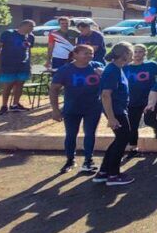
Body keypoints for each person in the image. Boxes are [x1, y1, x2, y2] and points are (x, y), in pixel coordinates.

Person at [49, 45, 104, 173]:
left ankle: (88, 160)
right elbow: (54, 89)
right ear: (75, 55)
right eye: (86, 53)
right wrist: (55, 109)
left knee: (90, 133)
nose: (89, 56)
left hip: (93, 107)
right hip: (72, 107)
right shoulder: (65, 70)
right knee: (71, 134)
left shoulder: (97, 66)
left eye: (91, 53)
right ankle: (70, 160)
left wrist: (103, 74)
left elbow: (110, 81)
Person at [95, 42, 135, 186]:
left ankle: (104, 172)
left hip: (118, 109)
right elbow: (106, 95)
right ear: (124, 54)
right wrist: (111, 118)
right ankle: (114, 175)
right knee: (122, 139)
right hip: (116, 111)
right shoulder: (112, 71)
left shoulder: (116, 69)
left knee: (120, 139)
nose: (133, 56)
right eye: (131, 53)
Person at [123, 44, 157, 159]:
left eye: (140, 52)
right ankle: (133, 148)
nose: (137, 54)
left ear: (145, 53)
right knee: (133, 125)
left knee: (149, 120)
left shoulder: (151, 65)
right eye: (135, 52)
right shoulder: (125, 67)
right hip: (132, 100)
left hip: (149, 99)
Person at [0, 19, 35, 115]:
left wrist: (29, 63)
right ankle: (4, 106)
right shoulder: (8, 33)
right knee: (8, 85)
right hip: (9, 64)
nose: (32, 29)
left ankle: (15, 105)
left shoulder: (31, 37)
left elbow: (29, 51)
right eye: (31, 26)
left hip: (23, 65)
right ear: (23, 25)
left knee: (20, 84)